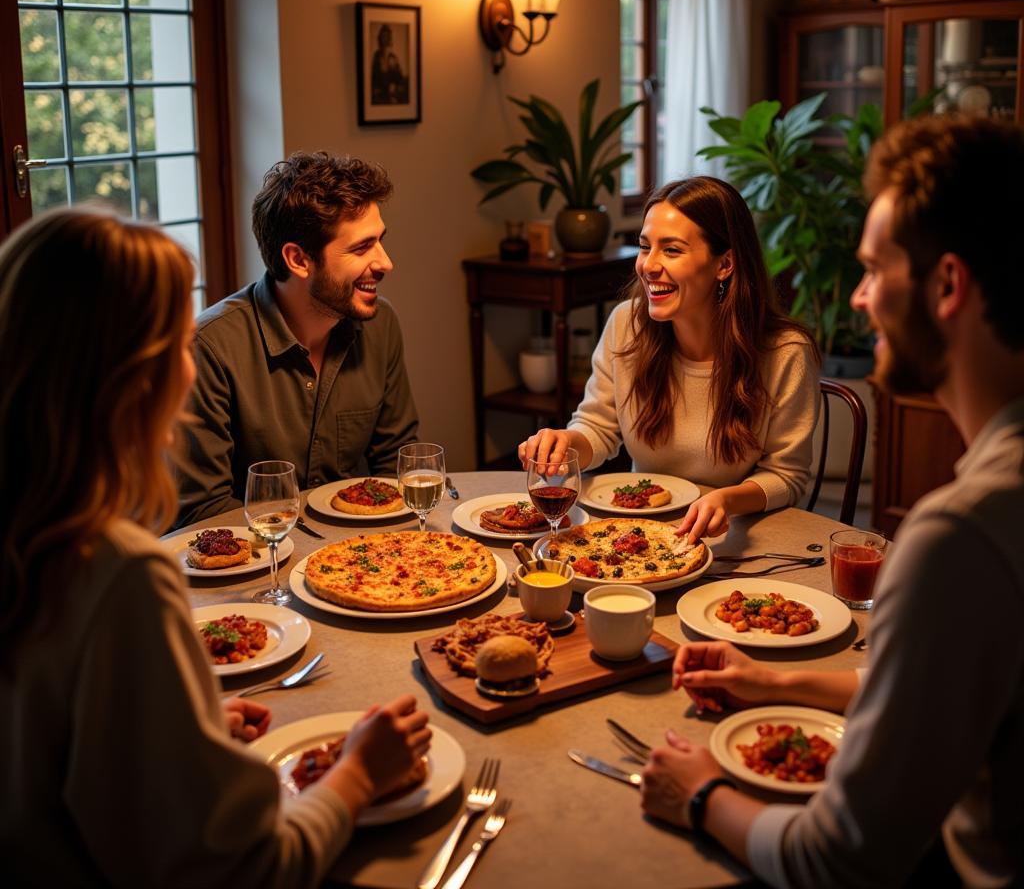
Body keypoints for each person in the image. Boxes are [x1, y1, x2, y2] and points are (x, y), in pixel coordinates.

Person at [639, 116, 1024, 887]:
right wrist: (776, 681)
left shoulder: (957, 533)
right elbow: (936, 683)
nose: (857, 299)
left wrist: (702, 796)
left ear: (948, 286)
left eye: (876, 271)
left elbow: (840, 855)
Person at [0, 208, 432, 886]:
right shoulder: (120, 572)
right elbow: (246, 869)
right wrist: (356, 774)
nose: (189, 366)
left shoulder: (30, 538)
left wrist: (170, 732)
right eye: (175, 343)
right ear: (128, 378)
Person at [520, 176, 820, 544]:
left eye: (672, 250)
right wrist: (564, 444)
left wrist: (726, 500)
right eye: (645, 247)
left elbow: (786, 475)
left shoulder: (785, 352)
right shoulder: (625, 325)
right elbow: (597, 427)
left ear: (724, 264)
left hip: (736, 537)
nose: (648, 266)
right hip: (637, 534)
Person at [175, 151, 418, 527]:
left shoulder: (380, 324)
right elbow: (203, 511)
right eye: (360, 247)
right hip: (256, 570)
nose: (385, 263)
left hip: (364, 560)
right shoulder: (210, 348)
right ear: (298, 260)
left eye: (380, 241)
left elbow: (395, 466)